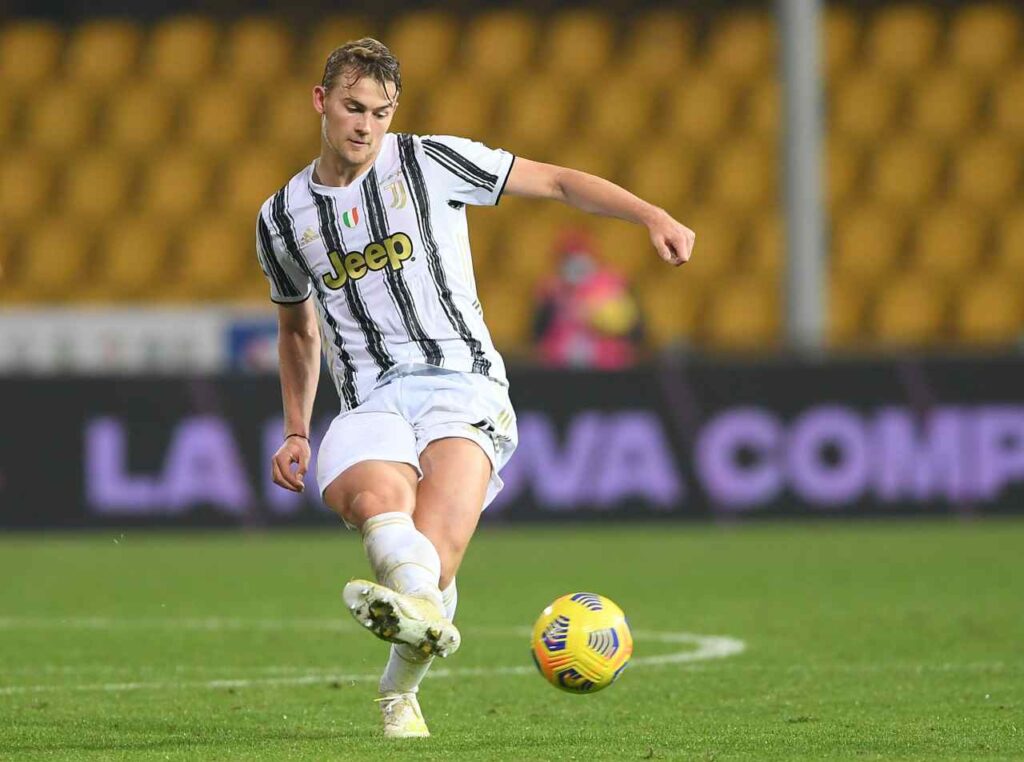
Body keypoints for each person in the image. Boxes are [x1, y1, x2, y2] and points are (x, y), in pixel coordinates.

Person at [258, 38, 695, 739]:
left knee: (431, 564)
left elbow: (556, 182)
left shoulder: (429, 162)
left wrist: (652, 215)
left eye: (381, 112)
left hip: (461, 385)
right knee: (377, 503)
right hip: (370, 399)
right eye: (353, 108)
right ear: (321, 101)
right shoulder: (282, 218)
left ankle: (397, 691)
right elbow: (297, 330)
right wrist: (296, 429)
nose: (366, 126)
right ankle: (417, 629)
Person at [533, 229, 645, 368]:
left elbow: (635, 329)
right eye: (568, 257)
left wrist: (602, 319)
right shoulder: (550, 289)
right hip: (560, 365)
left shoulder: (615, 284)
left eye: (580, 254)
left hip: (608, 364)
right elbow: (538, 331)